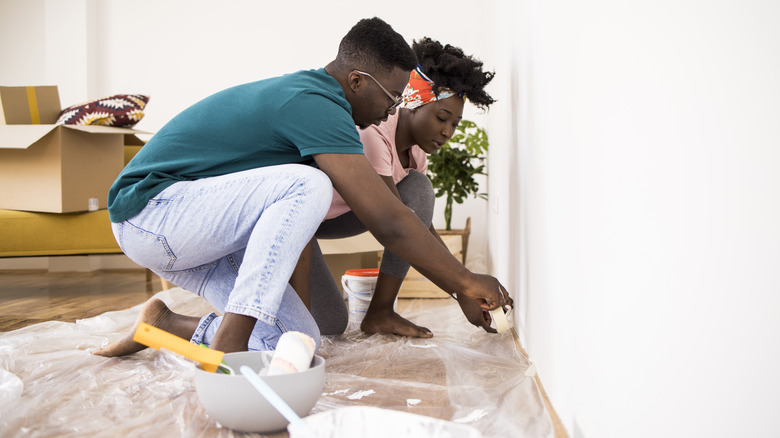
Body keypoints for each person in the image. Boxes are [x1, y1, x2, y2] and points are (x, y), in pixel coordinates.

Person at [94, 17, 510, 358]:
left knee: (302, 343)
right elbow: (388, 220)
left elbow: (301, 226)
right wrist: (466, 281)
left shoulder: (334, 111)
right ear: (358, 80)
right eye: (392, 97)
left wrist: (461, 285)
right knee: (308, 183)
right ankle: (230, 343)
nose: (391, 109)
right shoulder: (313, 103)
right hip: (150, 213)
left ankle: (162, 325)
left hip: (205, 237)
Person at [304, 37, 499, 338]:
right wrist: (464, 283)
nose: (447, 132)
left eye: (455, 124)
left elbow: (418, 224)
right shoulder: (373, 134)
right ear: (412, 103)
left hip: (339, 217)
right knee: (329, 325)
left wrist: (462, 291)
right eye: (441, 117)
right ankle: (219, 323)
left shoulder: (418, 151)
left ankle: (381, 312)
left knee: (418, 190)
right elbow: (398, 224)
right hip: (300, 223)